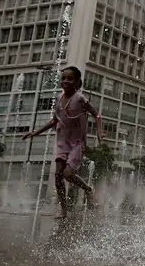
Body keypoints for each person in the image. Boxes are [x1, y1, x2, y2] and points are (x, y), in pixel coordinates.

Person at [22, 65, 102, 219]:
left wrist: (99, 131)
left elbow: (96, 114)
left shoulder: (79, 98)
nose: (65, 81)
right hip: (62, 141)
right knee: (58, 175)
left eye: (70, 78)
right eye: (63, 77)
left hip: (77, 143)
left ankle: (87, 189)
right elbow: (54, 120)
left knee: (67, 174)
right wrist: (35, 132)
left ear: (77, 81)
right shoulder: (58, 98)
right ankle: (63, 209)